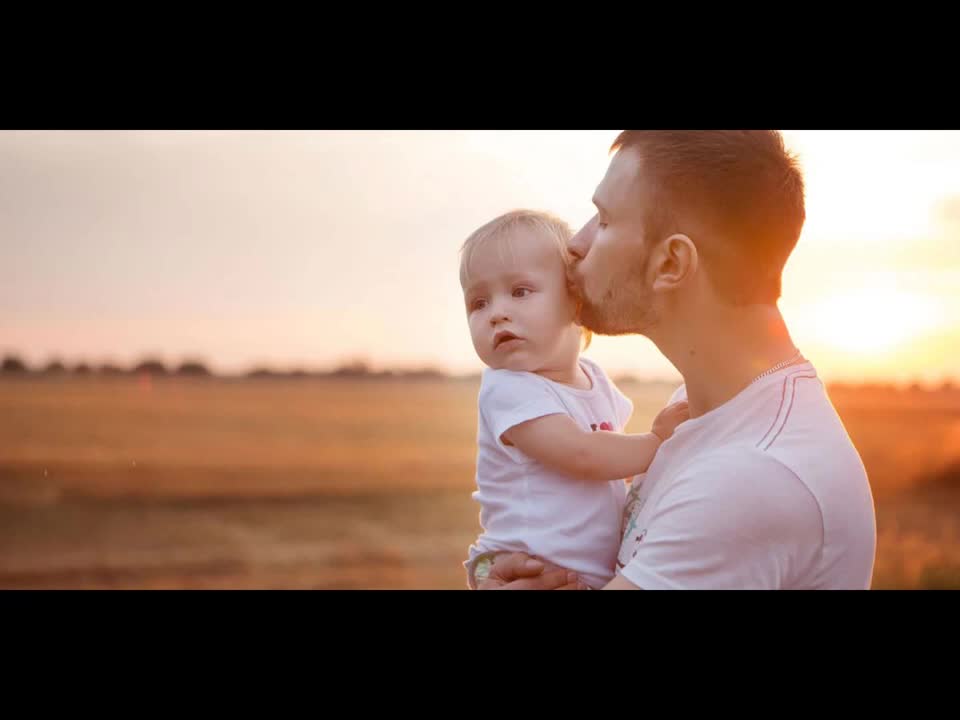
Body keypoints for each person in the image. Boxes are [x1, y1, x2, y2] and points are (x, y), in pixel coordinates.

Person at [476, 131, 877, 590]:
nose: (576, 244)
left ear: (671, 263)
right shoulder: (706, 405)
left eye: (604, 221)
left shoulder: (752, 477)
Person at [459, 209, 690, 589]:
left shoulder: (595, 380)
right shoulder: (509, 387)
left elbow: (610, 464)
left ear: (576, 300)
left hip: (581, 574)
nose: (496, 314)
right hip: (526, 567)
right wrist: (657, 444)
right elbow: (582, 455)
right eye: (478, 303)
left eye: (519, 292)